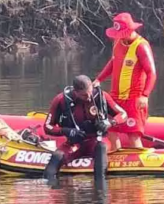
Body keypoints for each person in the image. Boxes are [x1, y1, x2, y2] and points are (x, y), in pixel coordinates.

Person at [43, 75, 127, 181]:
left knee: (101, 148)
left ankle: (101, 190)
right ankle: (52, 189)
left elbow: (123, 114)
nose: (88, 97)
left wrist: (110, 123)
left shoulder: (101, 96)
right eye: (83, 95)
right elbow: (47, 126)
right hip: (74, 143)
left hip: (97, 140)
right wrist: (66, 131)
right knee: (56, 157)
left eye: (90, 92)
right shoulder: (61, 100)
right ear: (75, 92)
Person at [93, 12, 157, 151]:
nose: (118, 37)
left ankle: (139, 165)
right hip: (115, 96)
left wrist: (145, 95)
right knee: (111, 130)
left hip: (134, 97)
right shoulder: (118, 41)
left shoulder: (141, 46)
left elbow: (151, 72)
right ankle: (117, 160)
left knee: (133, 134)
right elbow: (113, 62)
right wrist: (99, 79)